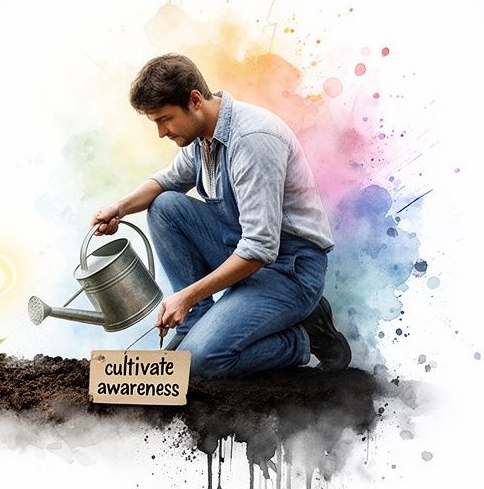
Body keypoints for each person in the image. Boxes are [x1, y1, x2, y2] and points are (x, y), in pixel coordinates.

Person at [91, 53, 351, 378]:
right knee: (165, 206)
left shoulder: (252, 141)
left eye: (165, 119)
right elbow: (166, 181)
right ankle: (196, 323)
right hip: (242, 252)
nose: (161, 132)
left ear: (195, 100)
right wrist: (121, 207)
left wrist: (184, 296)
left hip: (288, 270)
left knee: (198, 362)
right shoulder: (202, 138)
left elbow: (260, 249)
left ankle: (303, 337)